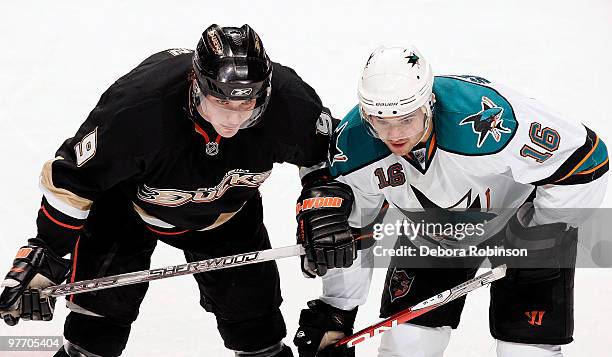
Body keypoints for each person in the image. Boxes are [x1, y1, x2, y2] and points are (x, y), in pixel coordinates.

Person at [0, 24, 350, 357]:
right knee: (94, 339)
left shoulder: (288, 101)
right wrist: (46, 251)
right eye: (222, 104)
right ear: (196, 85)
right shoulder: (137, 110)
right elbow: (73, 181)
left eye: (246, 105)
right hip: (126, 210)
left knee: (259, 334)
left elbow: (326, 156)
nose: (233, 120)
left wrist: (322, 205)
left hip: (226, 215)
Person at [293, 46, 608, 356]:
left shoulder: (489, 121)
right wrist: (337, 312)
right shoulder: (354, 146)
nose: (394, 134)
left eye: (406, 119)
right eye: (381, 121)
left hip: (519, 218)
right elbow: (351, 232)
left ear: (428, 104)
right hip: (430, 232)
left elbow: (587, 158)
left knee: (523, 352)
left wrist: (542, 231)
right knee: (406, 347)